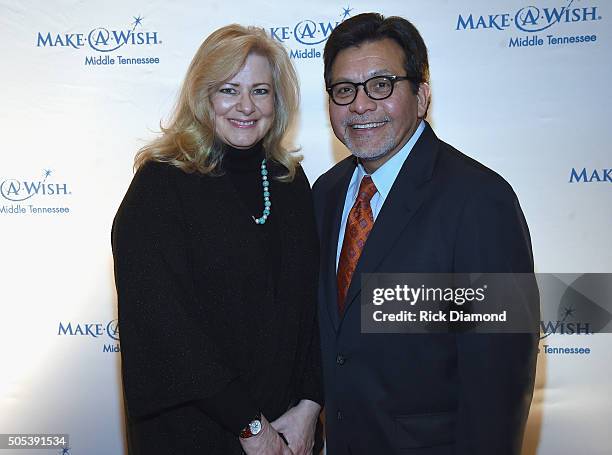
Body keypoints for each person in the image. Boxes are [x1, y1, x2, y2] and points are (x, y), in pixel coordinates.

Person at [312, 13, 538, 455]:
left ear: (422, 96)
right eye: (344, 90)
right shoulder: (325, 193)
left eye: (381, 85)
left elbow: (500, 382)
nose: (360, 105)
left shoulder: (480, 200)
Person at [112, 24, 322, 455]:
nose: (246, 106)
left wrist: (309, 406)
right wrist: (251, 428)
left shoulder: (289, 181)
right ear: (203, 96)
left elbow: (314, 306)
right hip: (194, 434)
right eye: (230, 89)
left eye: (261, 91)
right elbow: (165, 326)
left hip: (286, 431)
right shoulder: (160, 184)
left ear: (276, 101)